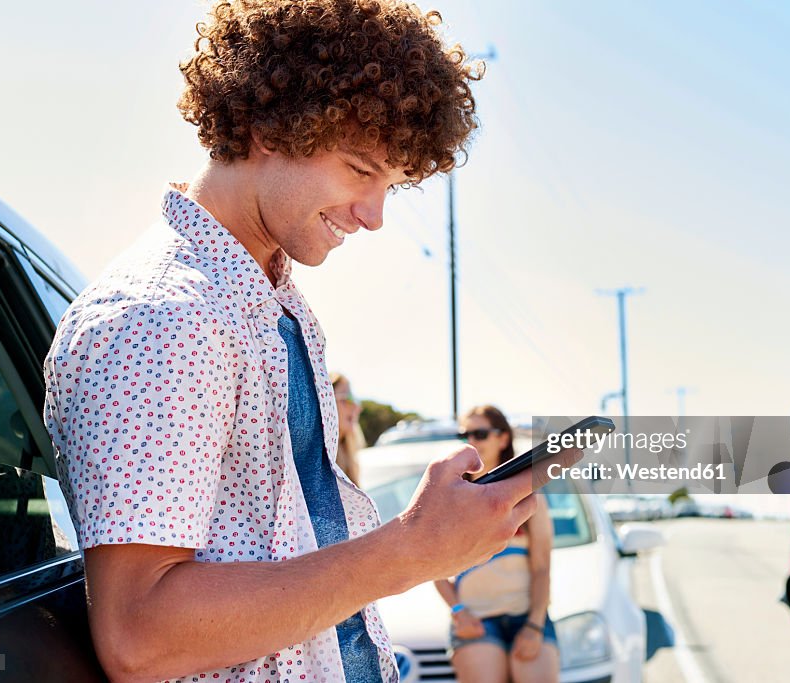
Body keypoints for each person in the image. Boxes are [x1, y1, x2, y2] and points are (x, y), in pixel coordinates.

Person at [41, 3, 578, 681]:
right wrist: (412, 550)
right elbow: (139, 635)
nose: (377, 215)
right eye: (361, 169)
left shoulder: (271, 303)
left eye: (393, 183)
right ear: (271, 126)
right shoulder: (161, 316)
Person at [434, 406, 560, 683]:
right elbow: (434, 568)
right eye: (464, 434)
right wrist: (458, 612)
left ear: (503, 439)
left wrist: (535, 625)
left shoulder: (529, 497)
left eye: (480, 434)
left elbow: (541, 568)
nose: (471, 442)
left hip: (527, 616)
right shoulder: (450, 499)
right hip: (475, 621)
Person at [331, 372, 365, 486]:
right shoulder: (317, 458)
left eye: (356, 400)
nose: (357, 407)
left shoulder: (350, 457)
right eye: (348, 399)